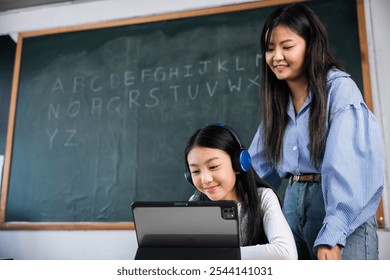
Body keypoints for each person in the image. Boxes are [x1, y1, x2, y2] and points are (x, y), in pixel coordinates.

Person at [248, 3, 384, 260]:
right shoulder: (277, 102)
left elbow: (348, 169)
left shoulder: (340, 91)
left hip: (338, 213)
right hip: (291, 208)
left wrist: (333, 234)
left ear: (311, 45)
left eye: (287, 47)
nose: (276, 57)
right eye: (269, 49)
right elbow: (257, 168)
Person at [184, 123, 298, 260]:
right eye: (196, 171)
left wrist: (218, 255)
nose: (205, 179)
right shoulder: (196, 203)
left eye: (213, 167)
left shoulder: (263, 197)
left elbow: (286, 253)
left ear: (238, 164)